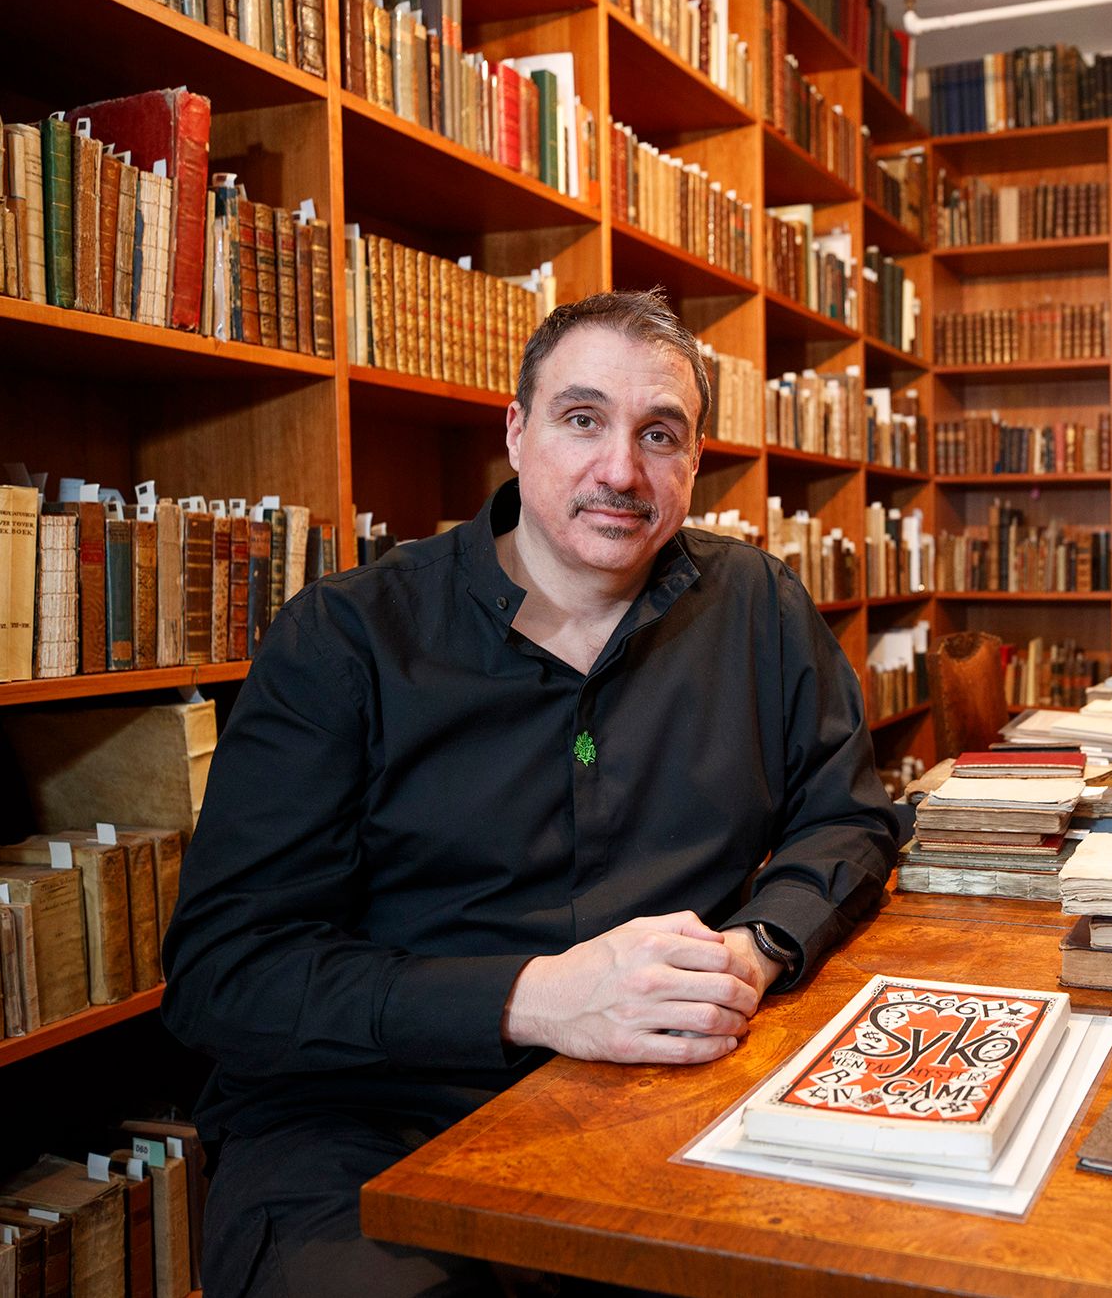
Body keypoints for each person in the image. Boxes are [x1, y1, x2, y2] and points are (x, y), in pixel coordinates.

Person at [162, 290, 899, 1296]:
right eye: (582, 418)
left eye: (659, 434)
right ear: (516, 432)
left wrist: (757, 946)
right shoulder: (344, 639)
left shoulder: (759, 605)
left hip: (670, 1084)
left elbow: (848, 815)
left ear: (695, 461)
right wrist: (533, 999)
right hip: (373, 1114)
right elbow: (227, 974)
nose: (620, 470)